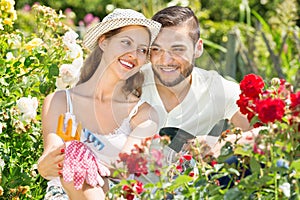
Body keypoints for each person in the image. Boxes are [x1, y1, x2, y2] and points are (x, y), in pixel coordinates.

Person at [37, 8, 161, 200]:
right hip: (63, 192)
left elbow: (125, 169)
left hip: (115, 194)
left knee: (79, 162)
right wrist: (46, 165)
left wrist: (86, 159)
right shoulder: (60, 101)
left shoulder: (144, 114)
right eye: (126, 42)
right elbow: (49, 158)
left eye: (142, 50)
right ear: (104, 41)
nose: (134, 54)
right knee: (74, 164)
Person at [140, 6, 254, 163]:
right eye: (156, 49)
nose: (165, 61)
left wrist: (222, 143)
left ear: (198, 48)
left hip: (188, 185)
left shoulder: (215, 88)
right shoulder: (131, 82)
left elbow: (267, 131)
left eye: (177, 49)